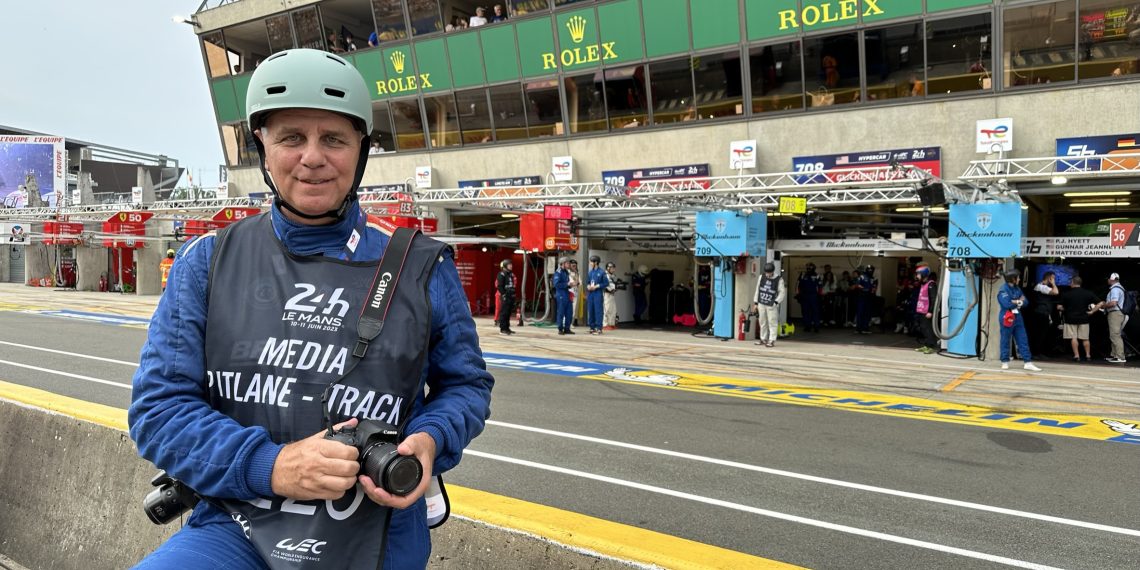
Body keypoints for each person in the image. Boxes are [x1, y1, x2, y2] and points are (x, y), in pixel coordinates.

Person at [127, 49, 494, 569]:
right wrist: (271, 465)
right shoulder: (206, 260)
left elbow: (466, 386)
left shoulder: (423, 266)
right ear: (263, 145)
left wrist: (432, 439)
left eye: (334, 139)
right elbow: (159, 411)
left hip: (376, 531)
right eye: (292, 138)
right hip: (235, 526)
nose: (313, 157)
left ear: (361, 149)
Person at [997, 269, 1042, 371]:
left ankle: (1027, 362)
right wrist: (1018, 301)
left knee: (1023, 339)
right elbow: (1006, 304)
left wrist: (1015, 301)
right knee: (1005, 339)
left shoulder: (1017, 288)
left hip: (1018, 317)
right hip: (1007, 316)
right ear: (1012, 279)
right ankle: (1004, 361)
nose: (1019, 279)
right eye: (1018, 277)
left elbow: (1026, 302)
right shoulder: (1003, 290)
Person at [1056, 276, 1103, 362]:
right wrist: (1092, 311)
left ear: (1073, 283)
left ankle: (1077, 356)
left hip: (1070, 319)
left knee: (1073, 338)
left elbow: (1059, 307)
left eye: (1070, 282)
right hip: (1084, 319)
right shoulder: (1088, 293)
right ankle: (1088, 355)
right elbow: (1101, 303)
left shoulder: (1066, 294)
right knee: (1085, 338)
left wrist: (1065, 309)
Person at [752, 262, 786, 348]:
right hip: (761, 302)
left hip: (771, 304)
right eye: (766, 272)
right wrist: (755, 303)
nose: (768, 274)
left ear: (773, 271)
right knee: (762, 321)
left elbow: (782, 293)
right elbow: (758, 290)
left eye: (769, 273)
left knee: (772, 322)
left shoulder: (779, 279)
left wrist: (776, 302)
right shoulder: (761, 277)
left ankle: (771, 340)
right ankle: (763, 339)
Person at [1031, 271, 1060, 357]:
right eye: (1053, 278)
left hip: (1043, 312)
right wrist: (1053, 284)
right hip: (1041, 312)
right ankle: (1036, 353)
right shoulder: (1041, 287)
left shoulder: (1042, 286)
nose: (1054, 280)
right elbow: (1056, 292)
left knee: (1043, 333)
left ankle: (1039, 352)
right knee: (1040, 333)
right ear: (1049, 278)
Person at [913, 264, 938, 354]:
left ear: (923, 274)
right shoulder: (923, 284)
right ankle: (926, 345)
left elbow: (934, 299)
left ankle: (931, 346)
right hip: (922, 310)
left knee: (928, 329)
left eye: (918, 274)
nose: (917, 276)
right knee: (924, 329)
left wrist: (930, 311)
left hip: (927, 311)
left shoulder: (931, 284)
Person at [1104, 272, 1128, 363]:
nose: (1107, 280)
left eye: (1108, 278)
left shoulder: (1115, 289)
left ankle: (1120, 356)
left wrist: (1104, 305)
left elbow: (1114, 303)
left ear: (1112, 279)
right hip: (1117, 313)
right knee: (1113, 334)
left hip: (1115, 314)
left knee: (1115, 335)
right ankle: (1114, 355)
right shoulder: (1120, 288)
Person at [585, 255, 609, 334]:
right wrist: (588, 286)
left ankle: (599, 328)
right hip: (590, 293)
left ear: (596, 262)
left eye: (591, 262)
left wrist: (597, 286)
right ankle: (592, 327)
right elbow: (588, 282)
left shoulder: (602, 272)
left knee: (598, 310)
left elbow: (606, 283)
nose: (590, 263)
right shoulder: (590, 272)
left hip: (597, 293)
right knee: (591, 310)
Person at [796, 262, 822, 333]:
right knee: (805, 311)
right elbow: (798, 284)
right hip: (804, 295)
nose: (809, 268)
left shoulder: (817, 275)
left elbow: (820, 286)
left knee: (815, 311)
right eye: (808, 267)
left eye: (810, 267)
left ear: (814, 268)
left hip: (813, 296)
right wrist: (798, 294)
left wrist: (820, 295)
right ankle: (807, 326)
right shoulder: (802, 275)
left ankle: (816, 326)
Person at [852, 265, 877, 334]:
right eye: (869, 269)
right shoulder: (862, 276)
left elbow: (874, 287)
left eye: (872, 270)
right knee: (860, 312)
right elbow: (857, 284)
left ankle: (865, 328)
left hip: (869, 298)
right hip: (862, 297)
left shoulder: (873, 278)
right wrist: (863, 288)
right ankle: (858, 328)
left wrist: (873, 290)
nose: (870, 271)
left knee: (867, 313)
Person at [553, 257, 573, 335]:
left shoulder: (566, 272)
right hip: (561, 294)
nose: (569, 264)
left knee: (569, 312)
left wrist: (570, 285)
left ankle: (567, 328)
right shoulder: (558, 272)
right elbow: (556, 284)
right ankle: (560, 329)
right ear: (562, 264)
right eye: (567, 263)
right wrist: (566, 284)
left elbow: (566, 283)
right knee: (561, 312)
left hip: (567, 293)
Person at [496, 259, 516, 335]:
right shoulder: (501, 274)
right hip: (505, 296)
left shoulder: (510, 274)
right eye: (509, 265)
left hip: (511, 296)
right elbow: (499, 286)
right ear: (505, 266)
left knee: (508, 312)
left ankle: (507, 328)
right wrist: (503, 294)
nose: (511, 266)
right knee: (504, 312)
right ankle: (503, 329)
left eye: (511, 264)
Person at [603, 261, 618, 331]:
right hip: (606, 294)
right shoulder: (605, 275)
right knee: (607, 309)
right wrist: (611, 290)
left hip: (611, 294)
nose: (613, 269)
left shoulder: (611, 275)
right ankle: (605, 324)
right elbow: (605, 285)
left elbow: (612, 285)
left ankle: (611, 324)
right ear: (608, 268)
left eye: (614, 268)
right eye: (612, 268)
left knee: (613, 309)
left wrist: (616, 287)